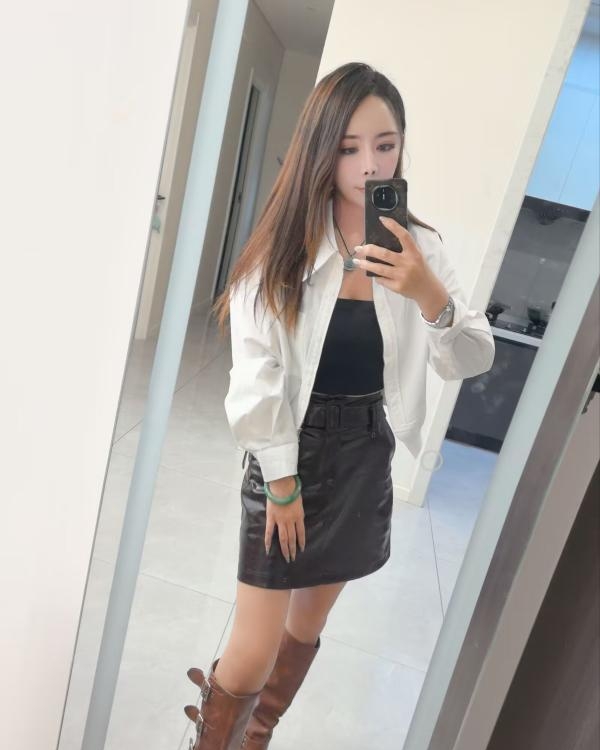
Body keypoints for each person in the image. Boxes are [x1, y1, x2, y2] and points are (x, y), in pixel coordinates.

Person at [183, 61, 495, 749]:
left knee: (305, 630)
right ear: (322, 150)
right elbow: (255, 371)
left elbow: (472, 357)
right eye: (349, 147)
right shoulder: (286, 244)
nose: (369, 164)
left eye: (385, 144)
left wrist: (427, 293)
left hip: (363, 454)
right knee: (252, 650)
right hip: (288, 449)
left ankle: (254, 738)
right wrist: (282, 482)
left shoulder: (421, 248)